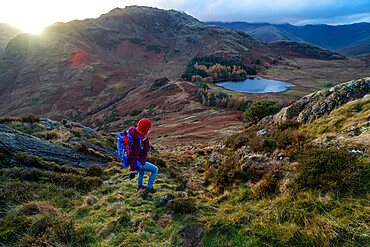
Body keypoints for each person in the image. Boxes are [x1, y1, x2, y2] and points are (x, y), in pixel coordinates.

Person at [128, 118, 158, 193]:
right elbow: (133, 156)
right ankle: (149, 188)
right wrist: (133, 171)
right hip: (138, 162)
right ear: (145, 128)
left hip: (139, 160)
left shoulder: (134, 133)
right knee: (155, 169)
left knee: (141, 172)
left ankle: (140, 186)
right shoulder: (138, 140)